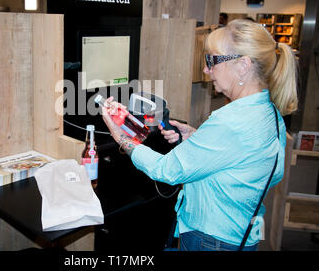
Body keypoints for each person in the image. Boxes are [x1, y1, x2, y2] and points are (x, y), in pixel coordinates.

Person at [100, 19, 298, 251]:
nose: (206, 69)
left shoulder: (230, 122)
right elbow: (270, 172)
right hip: (242, 237)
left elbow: (166, 170)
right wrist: (197, 139)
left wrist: (121, 137)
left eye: (212, 60)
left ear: (243, 65)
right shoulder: (270, 114)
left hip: (211, 241)